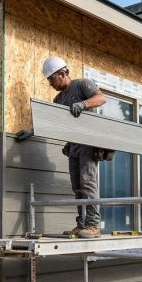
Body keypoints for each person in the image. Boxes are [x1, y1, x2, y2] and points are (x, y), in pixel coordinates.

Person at [43, 56, 106, 239]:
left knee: (88, 184)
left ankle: (93, 225)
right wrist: (32, 131)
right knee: (77, 187)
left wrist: (84, 104)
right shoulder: (58, 99)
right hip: (73, 146)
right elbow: (53, 123)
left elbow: (101, 98)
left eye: (52, 79)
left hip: (87, 143)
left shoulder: (82, 85)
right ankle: (82, 224)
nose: (50, 84)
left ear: (62, 74)